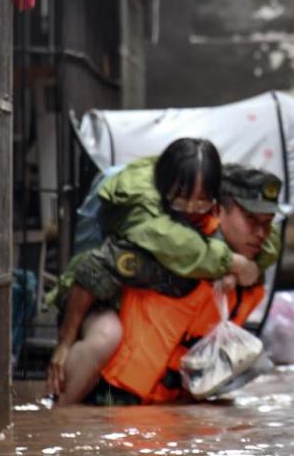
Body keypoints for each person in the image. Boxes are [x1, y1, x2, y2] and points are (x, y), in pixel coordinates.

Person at [46, 139, 278, 403]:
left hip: (157, 375)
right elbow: (90, 273)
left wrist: (233, 271)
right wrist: (63, 345)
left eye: (201, 203)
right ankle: (57, 409)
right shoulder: (157, 236)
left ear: (214, 201)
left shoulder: (221, 243)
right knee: (105, 336)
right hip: (91, 302)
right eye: (181, 200)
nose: (191, 211)